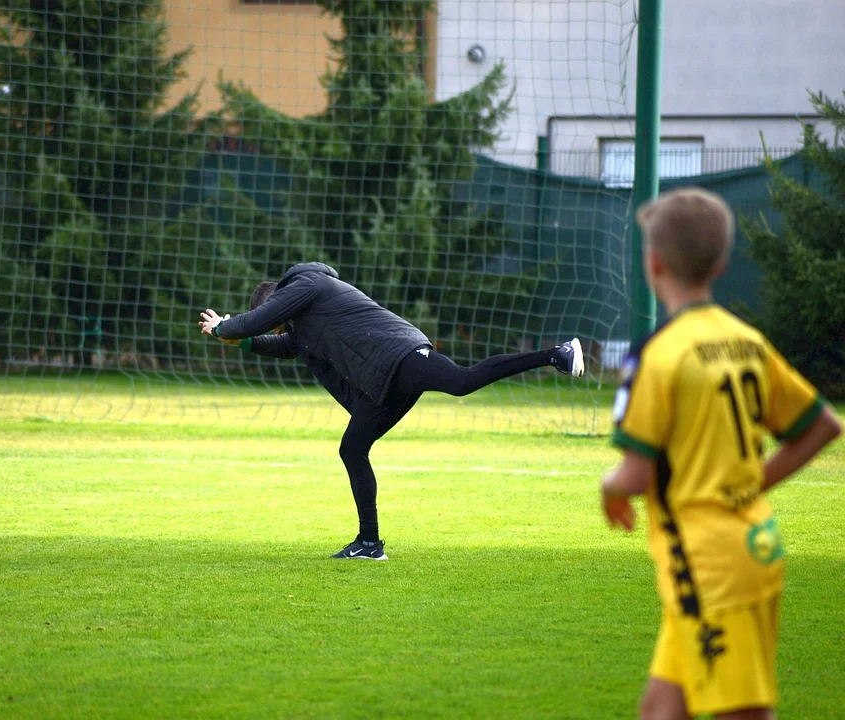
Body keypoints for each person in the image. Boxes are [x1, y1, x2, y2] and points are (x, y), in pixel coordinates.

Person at [602, 188, 841, 720]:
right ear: (722, 262)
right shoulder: (746, 340)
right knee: (661, 709)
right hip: (750, 545)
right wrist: (750, 483)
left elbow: (634, 475)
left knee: (744, 714)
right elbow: (822, 426)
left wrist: (609, 487)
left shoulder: (657, 354)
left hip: (706, 564)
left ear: (653, 262)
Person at [198, 261, 584, 560]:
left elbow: (255, 324)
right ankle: (369, 542)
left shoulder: (306, 285)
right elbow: (280, 345)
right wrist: (242, 342)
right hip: (382, 381)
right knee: (352, 447)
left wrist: (224, 329)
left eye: (278, 324)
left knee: (462, 382)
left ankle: (556, 354)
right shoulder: (302, 323)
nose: (281, 331)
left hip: (397, 353)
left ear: (276, 304)